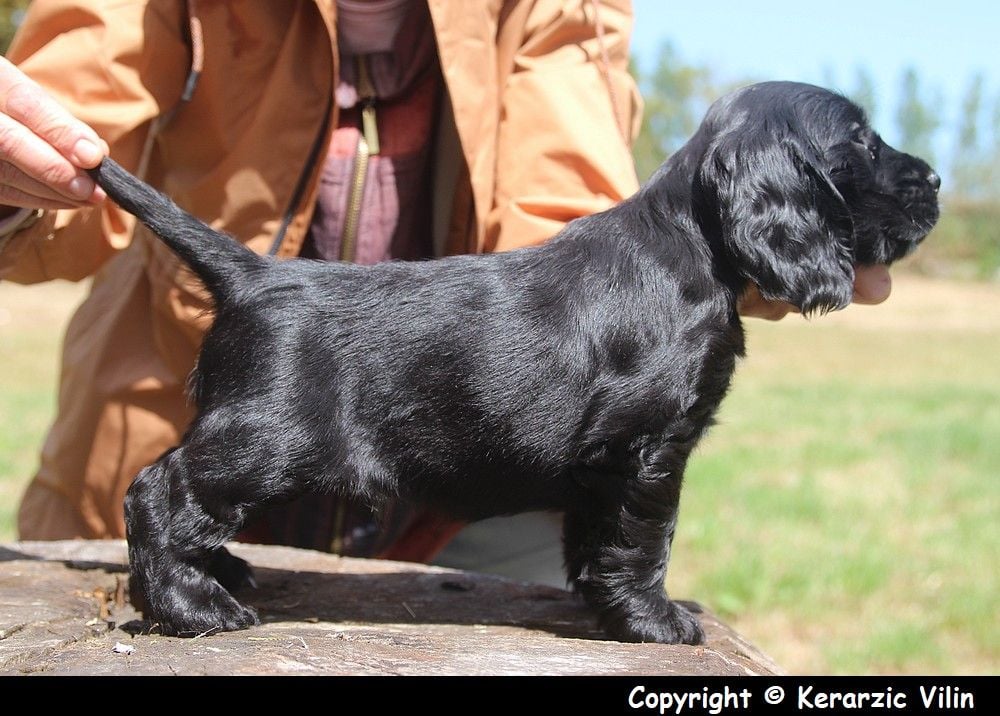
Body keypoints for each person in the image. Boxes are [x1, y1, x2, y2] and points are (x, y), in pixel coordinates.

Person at [0, 1, 891, 584]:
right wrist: (10, 182)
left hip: (482, 478)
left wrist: (713, 255)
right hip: (163, 417)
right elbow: (70, 156)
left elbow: (568, 217)